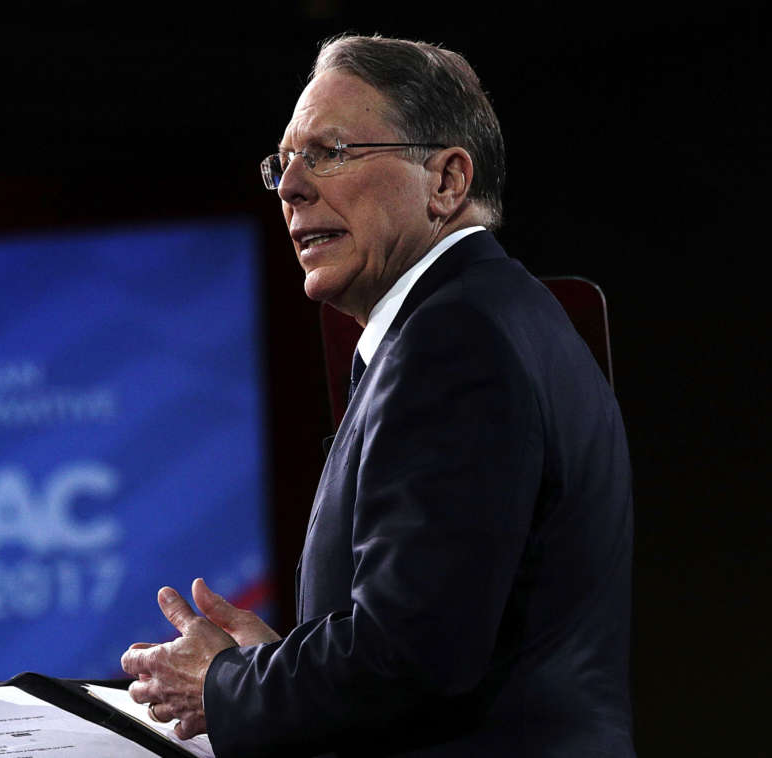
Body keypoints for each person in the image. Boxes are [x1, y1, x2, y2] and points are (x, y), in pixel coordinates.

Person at [121, 34, 635, 757]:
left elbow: (413, 653)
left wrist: (226, 687)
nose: (292, 187)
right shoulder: (502, 316)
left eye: (330, 152)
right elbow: (432, 628)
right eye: (284, 163)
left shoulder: (454, 341)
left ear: (448, 182)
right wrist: (276, 668)